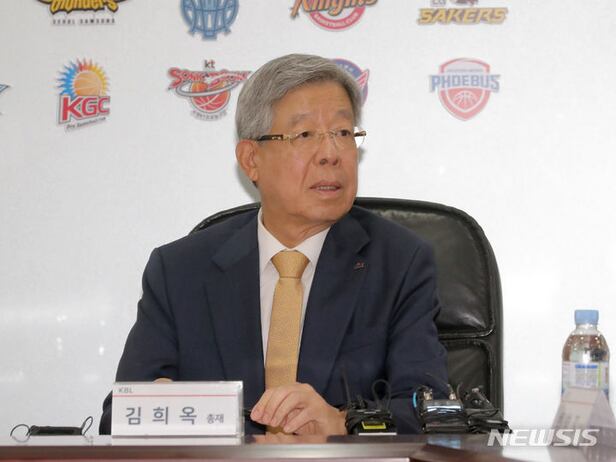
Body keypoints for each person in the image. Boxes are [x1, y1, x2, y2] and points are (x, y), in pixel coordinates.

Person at [100, 53, 447, 435]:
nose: (331, 154)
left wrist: (341, 424)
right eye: (305, 135)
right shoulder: (180, 272)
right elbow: (117, 418)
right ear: (251, 160)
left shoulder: (399, 263)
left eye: (343, 133)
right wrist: (173, 410)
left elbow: (428, 412)